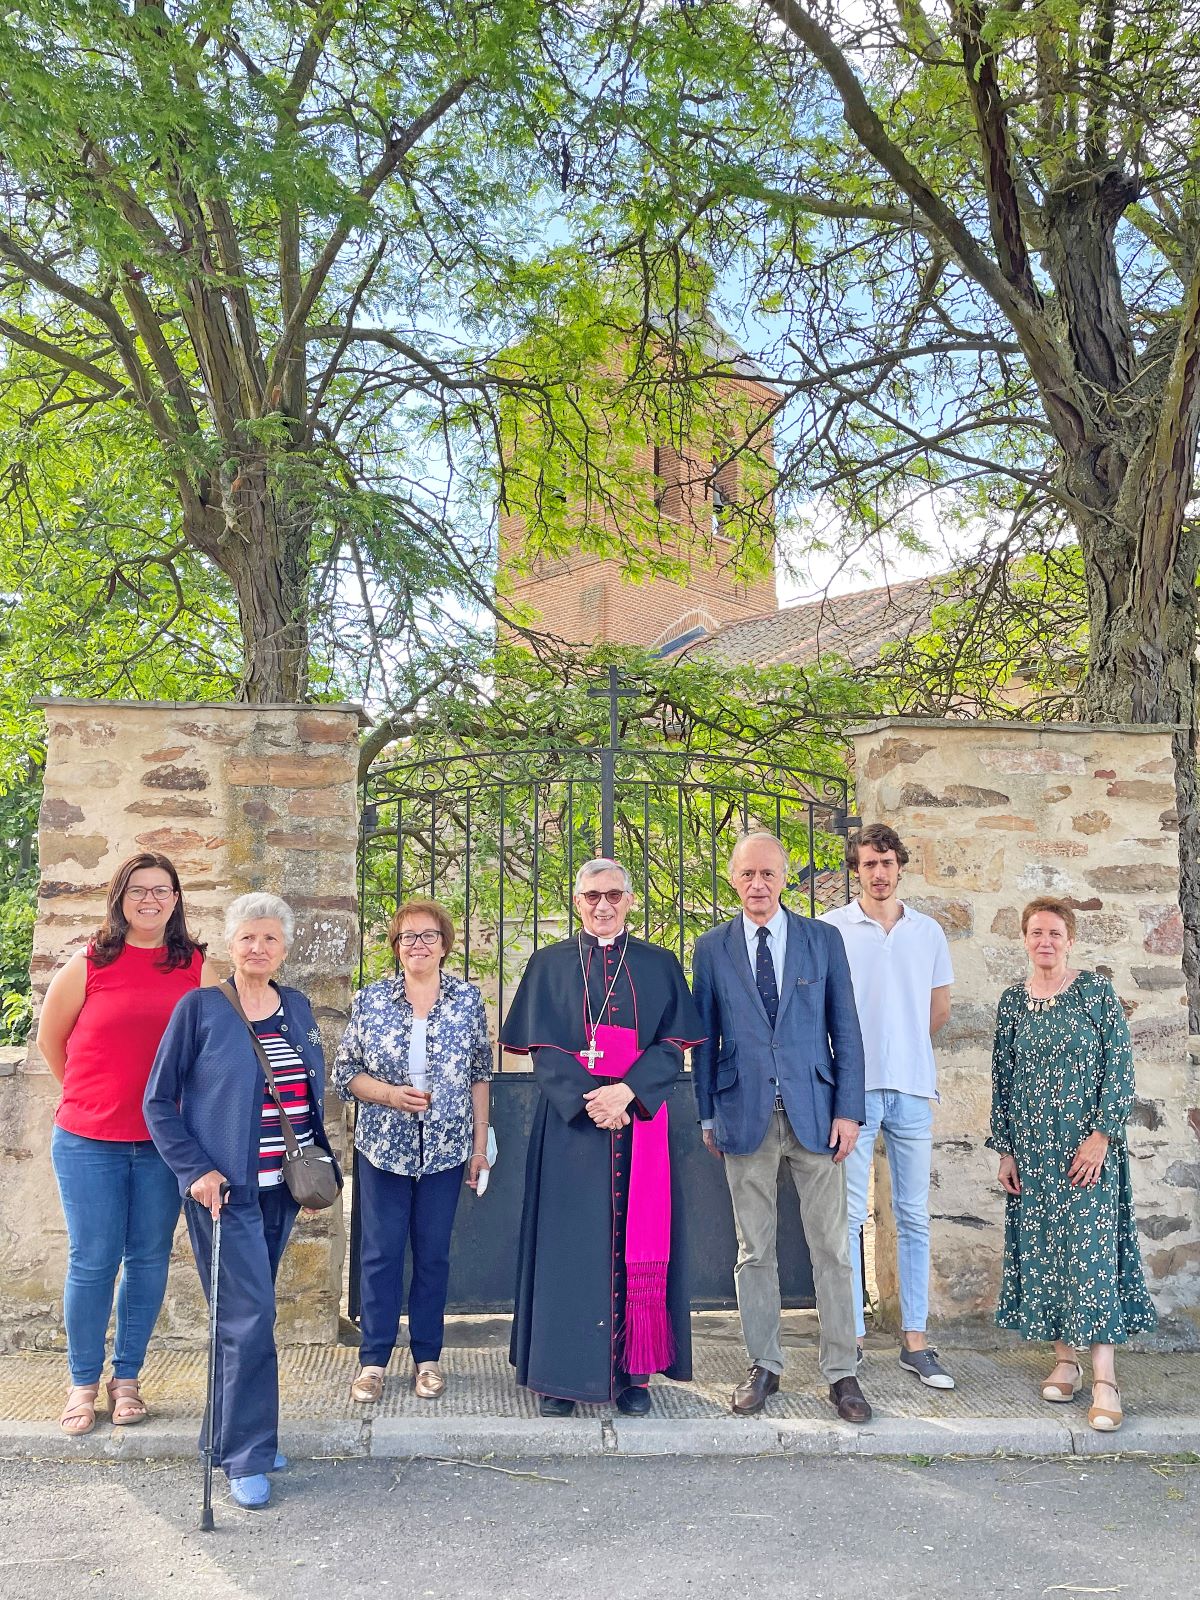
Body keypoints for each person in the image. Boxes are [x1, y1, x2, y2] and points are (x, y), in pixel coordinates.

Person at [144, 892, 339, 1508]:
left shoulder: (297, 1007)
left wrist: (322, 1161)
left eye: (271, 939)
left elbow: (306, 1094)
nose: (259, 948)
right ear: (231, 944)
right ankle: (247, 1456)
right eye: (248, 938)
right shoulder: (200, 1008)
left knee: (243, 1317)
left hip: (284, 1189)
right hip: (225, 1195)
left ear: (285, 947)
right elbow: (157, 1102)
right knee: (247, 1319)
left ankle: (226, 1435)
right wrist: (195, 1171)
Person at [500, 858, 704, 1416]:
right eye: (592, 896)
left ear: (631, 900)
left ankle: (634, 1376)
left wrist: (627, 1093)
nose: (602, 905)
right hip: (571, 1130)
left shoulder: (659, 965)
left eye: (613, 894)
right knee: (568, 1248)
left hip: (639, 1125)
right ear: (577, 901)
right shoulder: (548, 965)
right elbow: (542, 1049)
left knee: (635, 1245)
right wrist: (591, 1100)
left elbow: (672, 1045)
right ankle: (561, 1377)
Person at [692, 831, 871, 1422]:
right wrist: (707, 1113)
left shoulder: (822, 940)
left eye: (768, 874)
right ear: (733, 878)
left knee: (832, 1249)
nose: (758, 885)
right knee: (754, 1250)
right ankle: (764, 1365)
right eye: (747, 875)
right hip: (743, 1115)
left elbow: (845, 1027)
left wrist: (848, 1109)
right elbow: (704, 1040)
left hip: (816, 1116)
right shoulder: (711, 948)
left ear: (784, 878)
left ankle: (842, 1372)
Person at [37, 852, 210, 1436]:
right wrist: (94, 1099)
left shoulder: (198, 968)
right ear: (120, 897)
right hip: (89, 1140)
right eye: (138, 890)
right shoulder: (87, 964)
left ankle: (127, 1379)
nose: (150, 900)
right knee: (92, 1261)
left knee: (148, 1259)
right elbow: (50, 1041)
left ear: (176, 900)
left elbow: (214, 1052)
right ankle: (83, 1383)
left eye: (162, 890)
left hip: (165, 1146)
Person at [988, 896, 1156, 1432]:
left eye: (1054, 932)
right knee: (1043, 1254)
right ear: (1024, 938)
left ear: (1070, 938)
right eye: (1036, 932)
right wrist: (1007, 1149)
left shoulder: (1096, 992)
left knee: (1091, 1256)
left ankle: (1105, 1378)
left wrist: (1102, 1136)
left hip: (1086, 1152)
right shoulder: (1013, 1001)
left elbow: (1120, 1070)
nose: (1045, 941)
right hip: (1033, 1153)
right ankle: (1066, 1361)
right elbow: (1004, 1079)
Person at [335, 900, 492, 1405]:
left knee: (432, 1254)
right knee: (380, 1254)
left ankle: (428, 1358)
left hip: (446, 1147)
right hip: (384, 1147)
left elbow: (479, 1075)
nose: (418, 945)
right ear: (396, 948)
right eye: (408, 937)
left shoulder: (467, 1000)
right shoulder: (371, 1000)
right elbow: (346, 1075)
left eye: (428, 936)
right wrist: (388, 1095)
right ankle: (374, 1361)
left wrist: (479, 1144)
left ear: (445, 946)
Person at [820, 823, 955, 1388]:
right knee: (848, 1217)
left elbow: (939, 1010)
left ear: (901, 865)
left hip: (913, 1091)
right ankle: (849, 1341)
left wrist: (902, 1047)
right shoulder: (832, 930)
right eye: (868, 864)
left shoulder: (928, 932)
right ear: (857, 869)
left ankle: (916, 1341)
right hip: (852, 1094)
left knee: (913, 1217)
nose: (879, 873)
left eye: (887, 863)